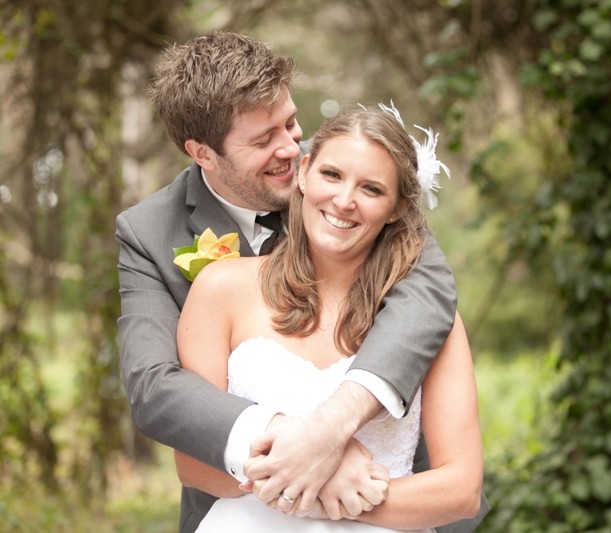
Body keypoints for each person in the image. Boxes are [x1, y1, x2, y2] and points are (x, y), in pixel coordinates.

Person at [115, 31, 489, 532]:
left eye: (290, 123)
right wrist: (309, 460)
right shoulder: (150, 234)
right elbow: (156, 387)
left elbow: (430, 290)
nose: (291, 148)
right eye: (263, 139)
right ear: (203, 153)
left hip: (397, 505)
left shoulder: (347, 167)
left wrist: (331, 431)